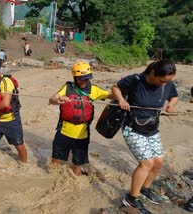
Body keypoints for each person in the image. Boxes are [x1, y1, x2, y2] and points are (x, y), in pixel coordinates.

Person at [111, 59, 178, 214]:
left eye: (166, 82)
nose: (163, 84)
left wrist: (171, 105)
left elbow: (174, 96)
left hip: (152, 129)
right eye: (161, 80)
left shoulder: (167, 84)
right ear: (153, 73)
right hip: (133, 129)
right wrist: (121, 99)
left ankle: (144, 188)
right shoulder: (135, 80)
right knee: (147, 163)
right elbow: (115, 88)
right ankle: (131, 199)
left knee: (159, 161)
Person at [49, 61, 113, 176]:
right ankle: (52, 178)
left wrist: (123, 95)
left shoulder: (94, 90)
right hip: (64, 132)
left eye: (86, 79)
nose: (83, 82)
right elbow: (53, 98)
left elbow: (110, 95)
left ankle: (76, 183)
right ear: (75, 77)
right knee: (56, 159)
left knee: (78, 164)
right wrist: (57, 99)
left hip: (81, 135)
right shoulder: (67, 87)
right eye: (80, 79)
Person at [0, 60, 27, 163]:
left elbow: (6, 103)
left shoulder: (6, 82)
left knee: (19, 145)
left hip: (11, 119)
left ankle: (25, 164)